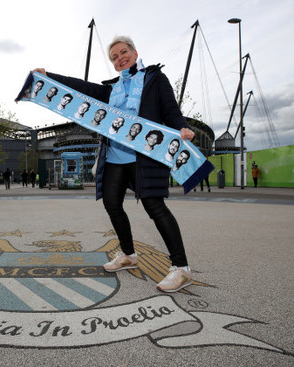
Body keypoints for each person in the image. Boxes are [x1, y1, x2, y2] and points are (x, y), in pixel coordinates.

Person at [32, 35, 196, 293]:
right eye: (115, 57)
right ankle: (129, 255)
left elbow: (170, 109)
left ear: (134, 51)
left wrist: (182, 128)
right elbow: (81, 88)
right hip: (114, 157)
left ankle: (181, 268)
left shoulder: (154, 79)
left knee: (155, 207)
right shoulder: (112, 90)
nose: (120, 59)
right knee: (111, 203)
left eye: (123, 53)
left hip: (144, 155)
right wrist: (48, 76)